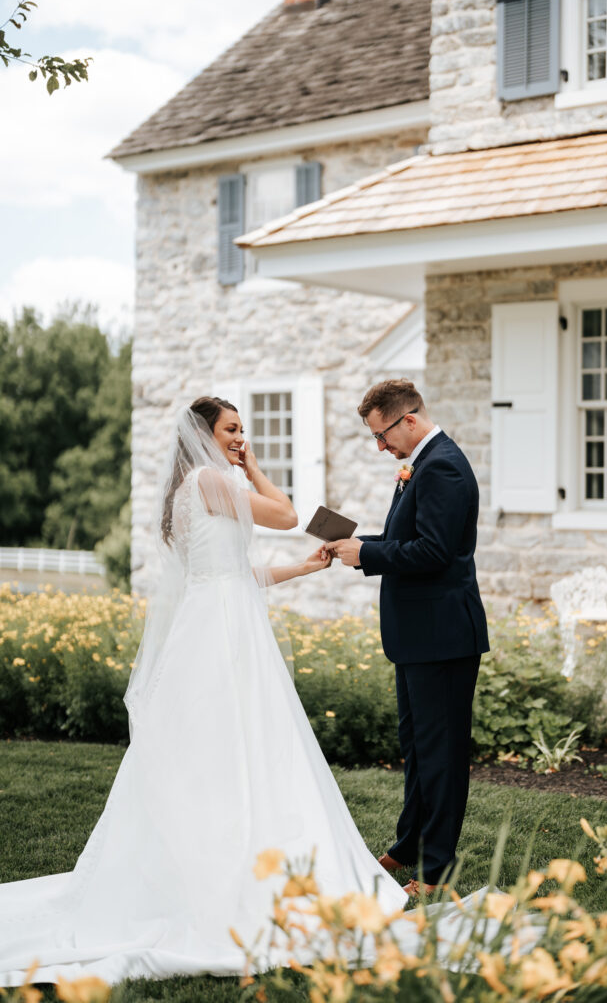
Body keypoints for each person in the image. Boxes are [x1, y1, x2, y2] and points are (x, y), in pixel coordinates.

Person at [0, 395, 408, 987]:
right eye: (231, 429)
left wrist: (301, 569)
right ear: (204, 434)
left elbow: (232, 576)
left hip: (219, 617)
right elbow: (286, 515)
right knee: (221, 745)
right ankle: (218, 875)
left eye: (243, 430)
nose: (240, 437)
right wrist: (254, 466)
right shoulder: (211, 480)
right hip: (219, 634)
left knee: (231, 743)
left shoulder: (191, 488)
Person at [325, 380, 489, 897]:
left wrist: (368, 555)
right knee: (418, 749)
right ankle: (409, 844)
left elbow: (434, 552)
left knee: (442, 757)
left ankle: (437, 872)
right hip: (419, 637)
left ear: (409, 420)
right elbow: (408, 540)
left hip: (443, 637)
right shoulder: (421, 463)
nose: (380, 447)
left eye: (382, 435)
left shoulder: (442, 466)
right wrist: (358, 544)